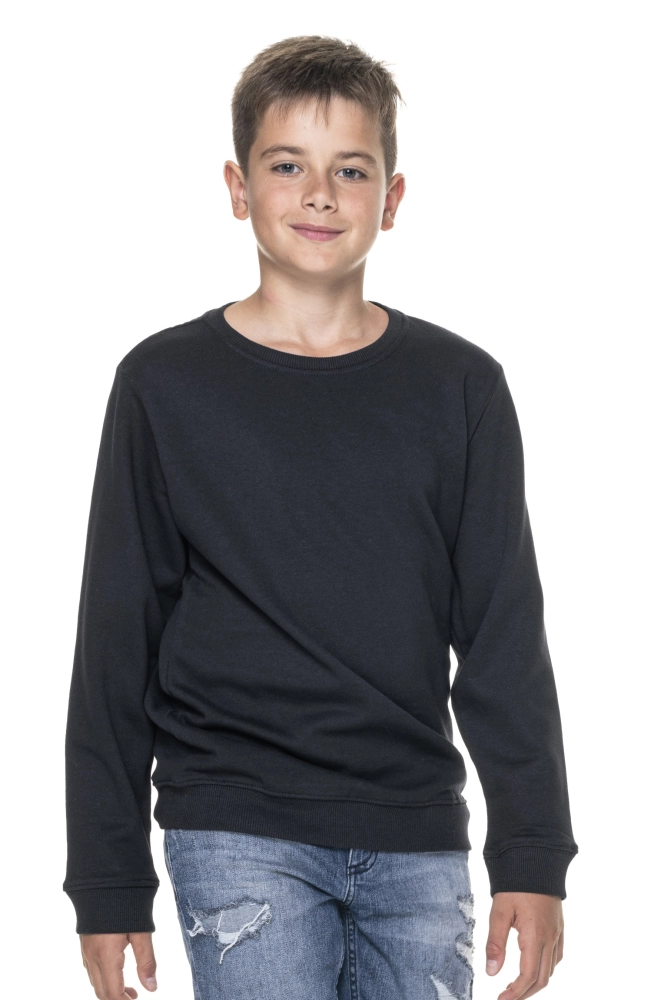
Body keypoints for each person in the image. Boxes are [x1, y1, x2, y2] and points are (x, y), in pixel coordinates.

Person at [63, 34, 578, 1000]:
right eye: (286, 166)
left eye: (350, 169)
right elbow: (115, 645)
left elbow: (504, 635)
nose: (319, 195)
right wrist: (106, 880)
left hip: (416, 833)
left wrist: (534, 852)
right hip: (235, 826)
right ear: (237, 187)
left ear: (392, 197)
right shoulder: (164, 385)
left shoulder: (461, 387)